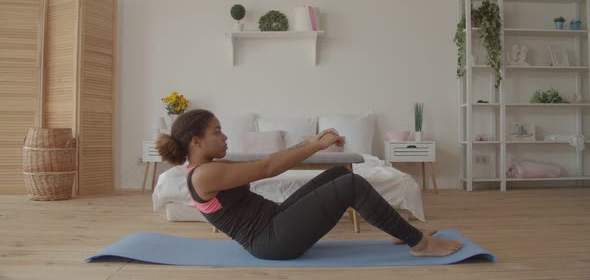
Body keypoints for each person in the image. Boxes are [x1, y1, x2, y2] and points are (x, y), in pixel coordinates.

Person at [157, 109, 462, 260]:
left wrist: (311, 141)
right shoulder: (203, 175)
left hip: (274, 223)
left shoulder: (209, 168)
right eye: (217, 131)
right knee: (351, 184)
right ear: (196, 141)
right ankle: (418, 243)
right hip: (271, 241)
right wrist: (316, 147)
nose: (224, 137)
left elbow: (270, 159)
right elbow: (266, 168)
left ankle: (397, 230)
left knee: (339, 175)